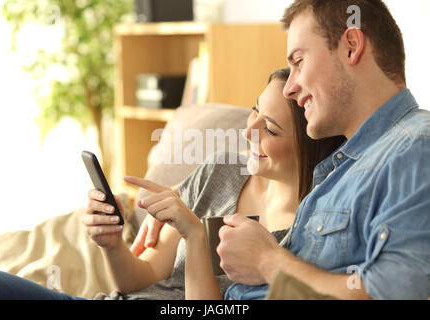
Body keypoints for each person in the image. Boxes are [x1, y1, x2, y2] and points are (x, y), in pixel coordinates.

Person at [136, 0, 430, 300]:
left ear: (352, 47)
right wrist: (175, 198)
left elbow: (397, 293)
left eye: (299, 62)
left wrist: (268, 261)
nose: (289, 88)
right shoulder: (340, 168)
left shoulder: (416, 145)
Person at [0, 68, 344, 299]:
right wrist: (110, 244)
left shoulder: (299, 235)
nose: (249, 129)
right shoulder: (222, 170)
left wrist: (195, 236)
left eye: (271, 129)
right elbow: (137, 278)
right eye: (255, 110)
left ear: (309, 146)